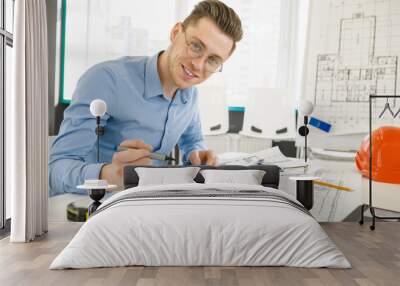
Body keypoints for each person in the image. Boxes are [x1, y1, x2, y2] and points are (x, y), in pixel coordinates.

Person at [49, 0, 243, 195]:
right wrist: (108, 176)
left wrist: (196, 153)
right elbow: (55, 170)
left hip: (147, 206)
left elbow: (192, 140)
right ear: (176, 32)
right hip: (88, 210)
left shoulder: (189, 94)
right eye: (196, 46)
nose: (198, 65)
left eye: (213, 60)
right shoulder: (106, 80)